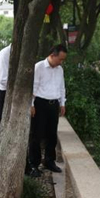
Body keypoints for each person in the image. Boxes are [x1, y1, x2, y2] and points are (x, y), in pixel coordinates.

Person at [28, 44, 67, 177]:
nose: (61, 62)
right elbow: (33, 87)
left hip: (53, 104)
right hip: (40, 104)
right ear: (52, 55)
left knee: (51, 134)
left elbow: (62, 87)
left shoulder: (59, 69)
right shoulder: (38, 67)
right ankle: (34, 164)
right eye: (60, 59)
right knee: (36, 135)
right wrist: (31, 104)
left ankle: (49, 161)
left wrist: (62, 103)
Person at [0, 43, 11, 131]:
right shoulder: (5, 54)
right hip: (3, 93)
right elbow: (3, 79)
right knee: (2, 123)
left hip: (10, 92)